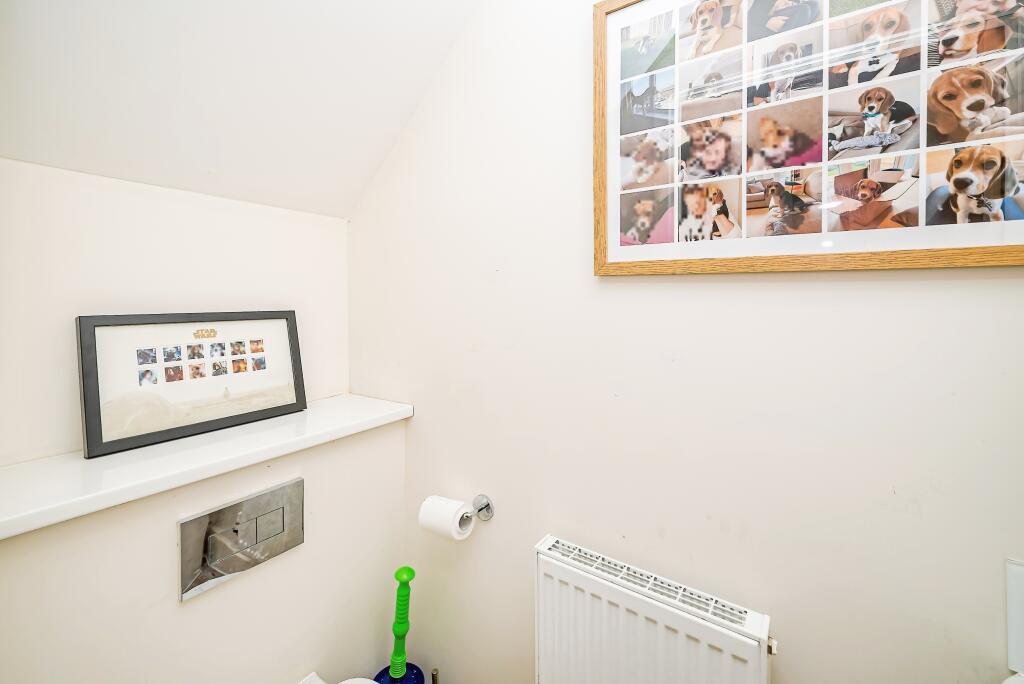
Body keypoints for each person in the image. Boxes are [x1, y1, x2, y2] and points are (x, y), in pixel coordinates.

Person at [747, 0, 820, 41]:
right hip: (762, 22)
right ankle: (785, 40)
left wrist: (791, 4)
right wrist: (767, 20)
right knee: (804, 9)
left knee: (814, 5)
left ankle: (789, 35)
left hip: (782, 15)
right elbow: (751, 15)